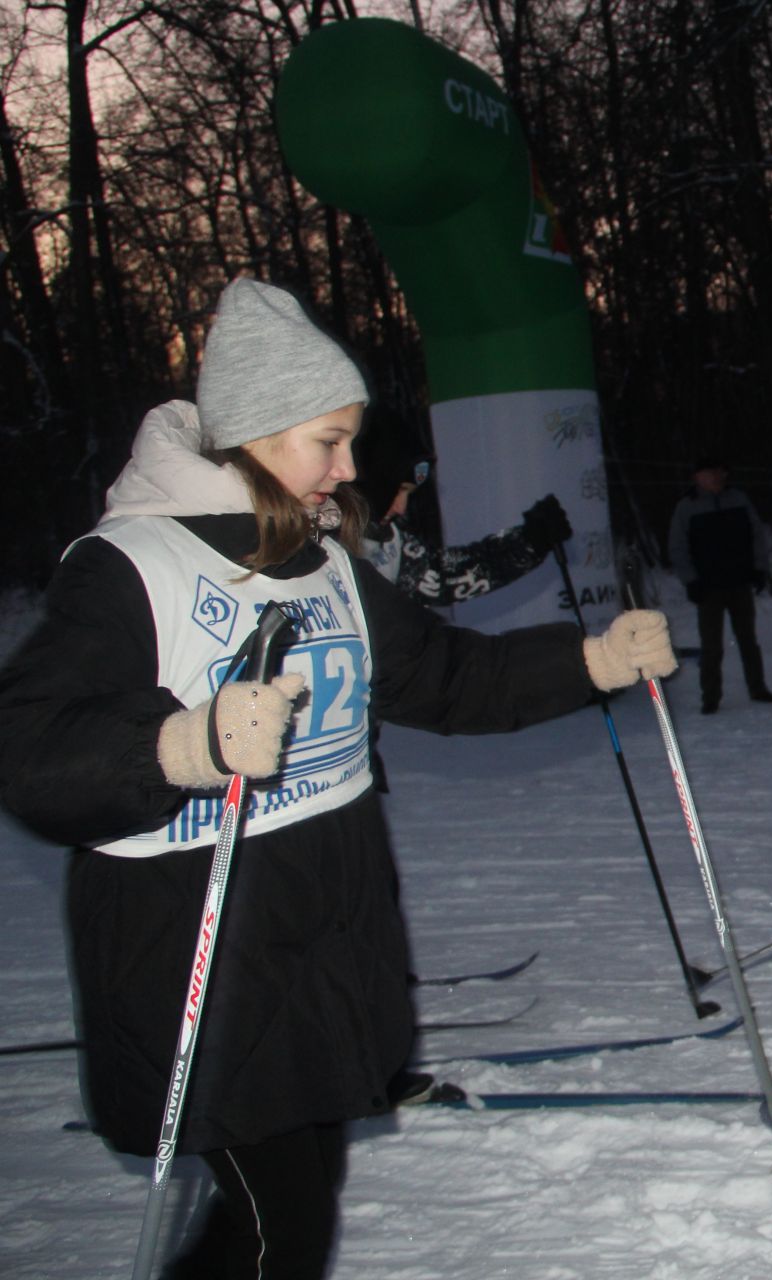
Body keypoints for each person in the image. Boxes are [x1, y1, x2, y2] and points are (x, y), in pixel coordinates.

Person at [0, 278, 678, 1278]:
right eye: (330, 439)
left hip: (320, 943)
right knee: (285, 1230)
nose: (348, 466)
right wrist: (181, 747)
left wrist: (593, 661)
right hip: (198, 950)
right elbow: (31, 750)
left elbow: (446, 676)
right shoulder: (130, 566)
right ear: (262, 432)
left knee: (285, 1216)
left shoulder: (325, 564)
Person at [362, 466, 573, 606]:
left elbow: (440, 576)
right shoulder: (333, 536)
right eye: (398, 490)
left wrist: (528, 541)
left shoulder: (386, 535)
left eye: (408, 493)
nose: (401, 507)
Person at [667, 459, 772, 714]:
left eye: (719, 473)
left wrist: (759, 569)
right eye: (709, 473)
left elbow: (757, 536)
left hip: (739, 582)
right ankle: (710, 696)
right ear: (697, 477)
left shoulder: (739, 500)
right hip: (708, 587)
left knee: (748, 639)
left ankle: (758, 687)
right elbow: (677, 547)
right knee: (711, 644)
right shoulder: (687, 507)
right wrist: (691, 581)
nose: (716, 478)